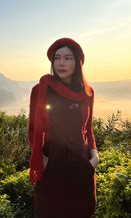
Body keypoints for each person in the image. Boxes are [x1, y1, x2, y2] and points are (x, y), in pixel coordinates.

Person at [28, 37, 99, 218]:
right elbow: (33, 129)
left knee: (82, 212)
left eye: (68, 58)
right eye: (57, 58)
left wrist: (94, 156)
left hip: (81, 164)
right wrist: (43, 159)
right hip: (53, 163)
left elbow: (88, 128)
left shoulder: (87, 93)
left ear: (77, 62)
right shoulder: (41, 89)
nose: (61, 63)